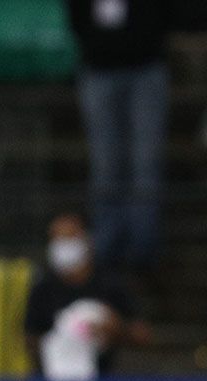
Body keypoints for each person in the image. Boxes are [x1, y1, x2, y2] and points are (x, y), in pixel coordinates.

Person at [65, 0, 173, 276]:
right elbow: (76, 16)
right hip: (99, 67)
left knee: (145, 161)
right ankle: (106, 246)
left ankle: (143, 248)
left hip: (145, 65)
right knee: (105, 162)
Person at [24, 212, 150, 381]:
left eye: (68, 237)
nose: (62, 245)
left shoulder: (110, 284)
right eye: (56, 239)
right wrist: (61, 340)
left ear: (86, 240)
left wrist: (115, 328)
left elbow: (142, 335)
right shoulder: (43, 289)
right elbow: (30, 337)